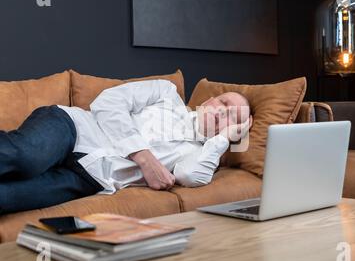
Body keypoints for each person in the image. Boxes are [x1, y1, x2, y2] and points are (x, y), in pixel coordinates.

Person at [0, 79, 252, 214]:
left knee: (8, 197)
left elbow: (189, 176)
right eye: (224, 103)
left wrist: (223, 140)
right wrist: (143, 157)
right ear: (208, 100)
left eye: (234, 117)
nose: (224, 113)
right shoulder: (166, 93)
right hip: (72, 128)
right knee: (26, 157)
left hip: (88, 179)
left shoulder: (197, 155)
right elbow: (108, 102)